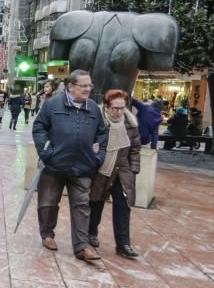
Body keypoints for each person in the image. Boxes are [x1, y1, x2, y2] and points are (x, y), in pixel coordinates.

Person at [32, 69, 108, 263]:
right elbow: (39, 127)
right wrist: (46, 153)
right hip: (55, 165)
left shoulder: (93, 108)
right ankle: (47, 234)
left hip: (83, 166)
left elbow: (102, 133)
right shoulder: (52, 105)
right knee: (48, 202)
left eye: (89, 85)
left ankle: (82, 246)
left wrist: (98, 156)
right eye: (83, 85)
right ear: (71, 87)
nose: (88, 89)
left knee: (82, 205)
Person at [88, 91, 141, 259]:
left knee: (123, 206)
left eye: (122, 108)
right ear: (106, 106)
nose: (118, 112)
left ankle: (123, 244)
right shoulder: (98, 123)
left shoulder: (130, 124)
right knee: (95, 203)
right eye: (115, 108)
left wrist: (133, 171)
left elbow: (135, 149)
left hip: (122, 171)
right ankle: (91, 233)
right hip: (102, 170)